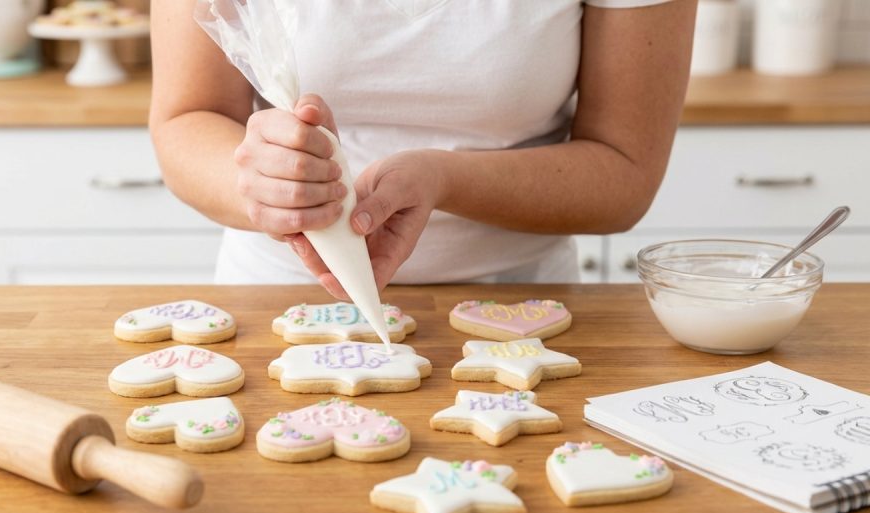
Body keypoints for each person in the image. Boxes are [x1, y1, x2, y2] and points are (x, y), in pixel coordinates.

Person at [150, 0, 697, 299]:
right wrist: (265, 185)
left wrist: (442, 180)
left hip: (519, 311)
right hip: (281, 300)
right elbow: (185, 120)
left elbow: (624, 172)